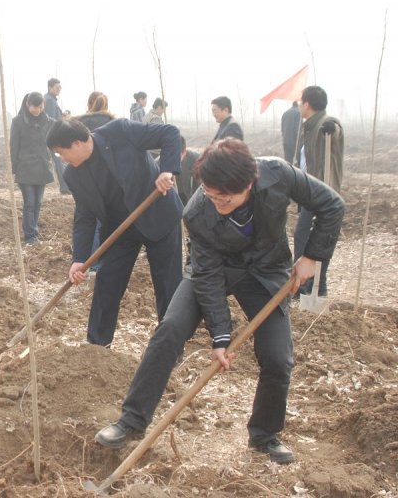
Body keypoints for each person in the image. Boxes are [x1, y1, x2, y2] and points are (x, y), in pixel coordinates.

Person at [94, 139, 344, 465]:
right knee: (170, 329)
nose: (217, 202)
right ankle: (131, 421)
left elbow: (331, 205)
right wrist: (221, 336)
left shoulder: (278, 174)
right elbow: (208, 277)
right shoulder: (197, 212)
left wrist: (311, 256)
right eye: (211, 194)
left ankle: (264, 436)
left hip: (265, 272)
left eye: (225, 197)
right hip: (213, 269)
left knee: (277, 358)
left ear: (249, 184)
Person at [47, 118, 183, 347]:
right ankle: (97, 345)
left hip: (158, 214)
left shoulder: (120, 132)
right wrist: (79, 258)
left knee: (167, 285)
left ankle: (170, 347)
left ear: (77, 143)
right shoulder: (73, 175)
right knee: (107, 281)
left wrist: (166, 170)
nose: (62, 159)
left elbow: (170, 133)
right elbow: (85, 216)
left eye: (61, 152)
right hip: (120, 230)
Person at [293, 86, 344, 298]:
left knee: (310, 238)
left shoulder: (326, 123)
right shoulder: (308, 127)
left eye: (300, 103)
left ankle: (312, 288)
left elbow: (336, 131)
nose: (298, 106)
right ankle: (308, 287)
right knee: (303, 236)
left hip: (321, 193)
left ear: (307, 104)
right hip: (309, 193)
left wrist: (332, 129)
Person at [75, 91, 115, 271]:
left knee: (87, 219)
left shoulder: (78, 124)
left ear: (89, 104)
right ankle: (99, 263)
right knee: (104, 223)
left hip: (84, 180)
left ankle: (89, 262)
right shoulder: (112, 124)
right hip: (108, 181)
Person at [10, 92, 55, 245]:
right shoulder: (18, 122)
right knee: (29, 202)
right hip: (25, 167)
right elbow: (13, 146)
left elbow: (58, 133)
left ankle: (33, 232)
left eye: (40, 107)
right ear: (28, 104)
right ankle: (30, 236)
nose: (37, 110)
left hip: (42, 167)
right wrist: (13, 168)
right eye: (35, 107)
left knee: (38, 202)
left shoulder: (48, 121)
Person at [44, 78, 71, 194]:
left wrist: (61, 116)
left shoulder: (51, 99)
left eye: (60, 87)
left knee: (60, 162)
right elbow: (49, 120)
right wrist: (62, 120)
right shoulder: (49, 100)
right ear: (50, 87)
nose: (59, 89)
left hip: (53, 135)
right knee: (60, 162)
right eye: (57, 87)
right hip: (53, 136)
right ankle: (65, 187)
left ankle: (65, 187)